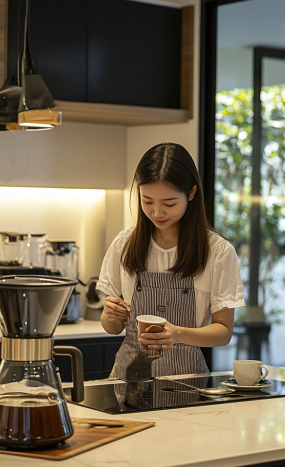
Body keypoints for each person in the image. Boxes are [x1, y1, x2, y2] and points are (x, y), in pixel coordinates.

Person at [97, 142, 245, 379]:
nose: (157, 212)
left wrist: (177, 334)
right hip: (127, 381)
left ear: (192, 193)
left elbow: (224, 332)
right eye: (147, 201)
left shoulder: (218, 251)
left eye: (169, 204)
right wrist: (111, 315)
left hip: (188, 382)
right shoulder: (124, 244)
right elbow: (112, 328)